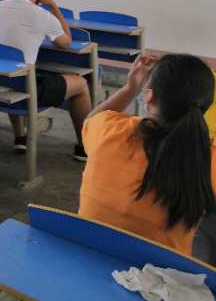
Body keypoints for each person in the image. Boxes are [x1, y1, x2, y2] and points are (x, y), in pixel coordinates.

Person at [80, 53, 216, 255]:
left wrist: (130, 88)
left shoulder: (109, 130)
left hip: (87, 252)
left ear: (149, 96)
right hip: (159, 270)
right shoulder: (207, 157)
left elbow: (91, 121)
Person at [0, 0, 91, 161]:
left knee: (14, 71)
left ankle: (20, 137)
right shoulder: (43, 16)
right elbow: (66, 42)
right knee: (81, 84)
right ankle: (85, 148)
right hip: (23, 90)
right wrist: (54, 6)